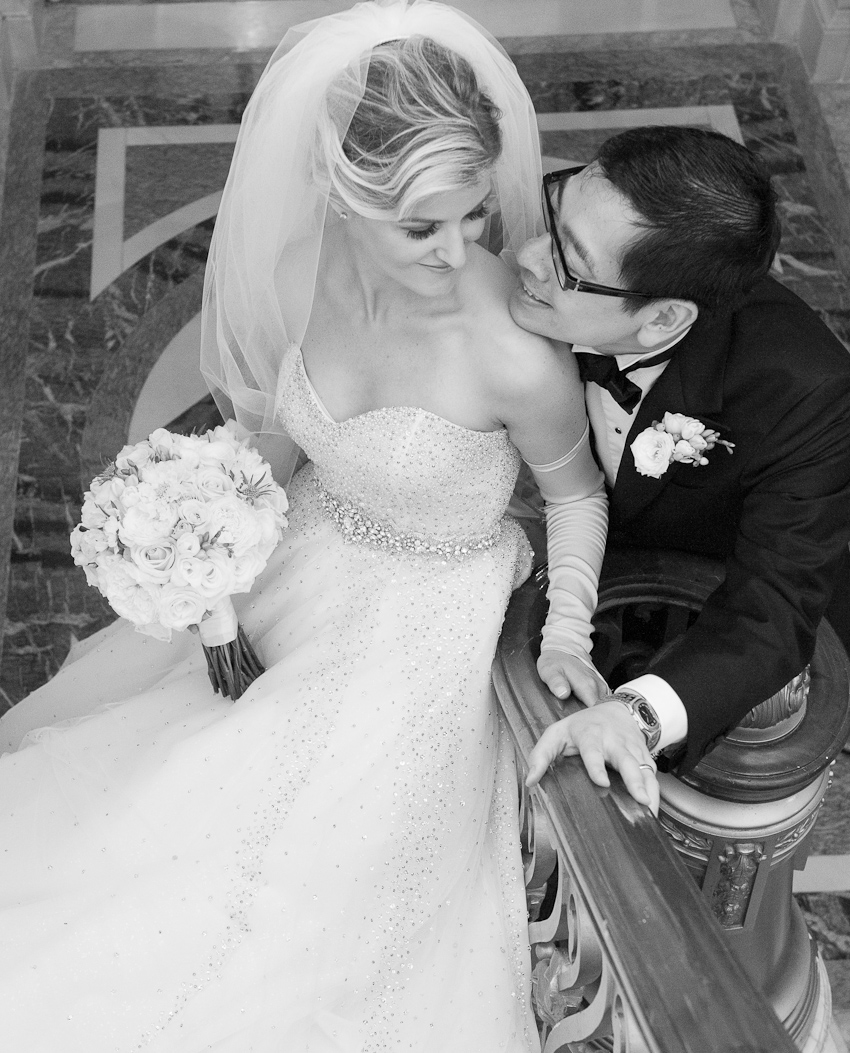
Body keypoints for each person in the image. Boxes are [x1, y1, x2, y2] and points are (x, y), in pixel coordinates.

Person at [0, 2, 625, 1049]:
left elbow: (576, 494)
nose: (461, 249)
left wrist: (564, 630)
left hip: (432, 626)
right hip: (305, 564)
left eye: (473, 214)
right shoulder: (296, 273)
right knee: (162, 824)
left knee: (310, 886)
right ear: (343, 192)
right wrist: (208, 528)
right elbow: (280, 445)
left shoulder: (513, 353)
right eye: (421, 226)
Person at [512, 125, 850, 800]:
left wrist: (635, 715)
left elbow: (771, 612)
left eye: (568, 262)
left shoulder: (805, 392)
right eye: (556, 209)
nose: (525, 255)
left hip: (691, 614)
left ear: (663, 320)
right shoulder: (527, 267)